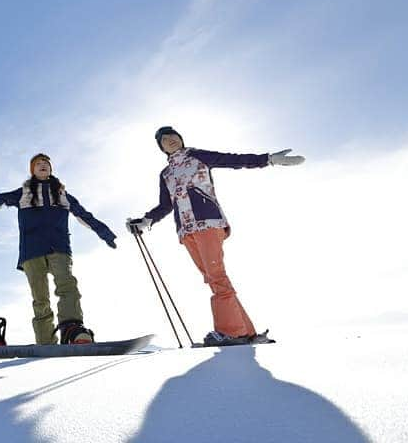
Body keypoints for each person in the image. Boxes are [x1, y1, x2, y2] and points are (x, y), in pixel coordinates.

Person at [127, 126, 305, 346]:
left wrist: (268, 159)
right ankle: (247, 332)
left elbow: (232, 160)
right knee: (214, 279)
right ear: (161, 147)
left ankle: (231, 331)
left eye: (173, 136)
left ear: (181, 138)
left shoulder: (198, 156)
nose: (170, 140)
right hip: (186, 230)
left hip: (208, 223)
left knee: (217, 277)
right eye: (164, 140)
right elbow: (166, 205)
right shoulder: (166, 174)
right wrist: (145, 221)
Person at [0, 153, 117, 345]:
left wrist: (106, 234)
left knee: (67, 285)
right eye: (38, 164)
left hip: (59, 248)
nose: (43, 165)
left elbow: (85, 216)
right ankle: (45, 342)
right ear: (32, 170)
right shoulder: (22, 194)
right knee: (40, 298)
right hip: (31, 251)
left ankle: (72, 330)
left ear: (51, 169)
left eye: (46, 164)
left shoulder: (63, 196)